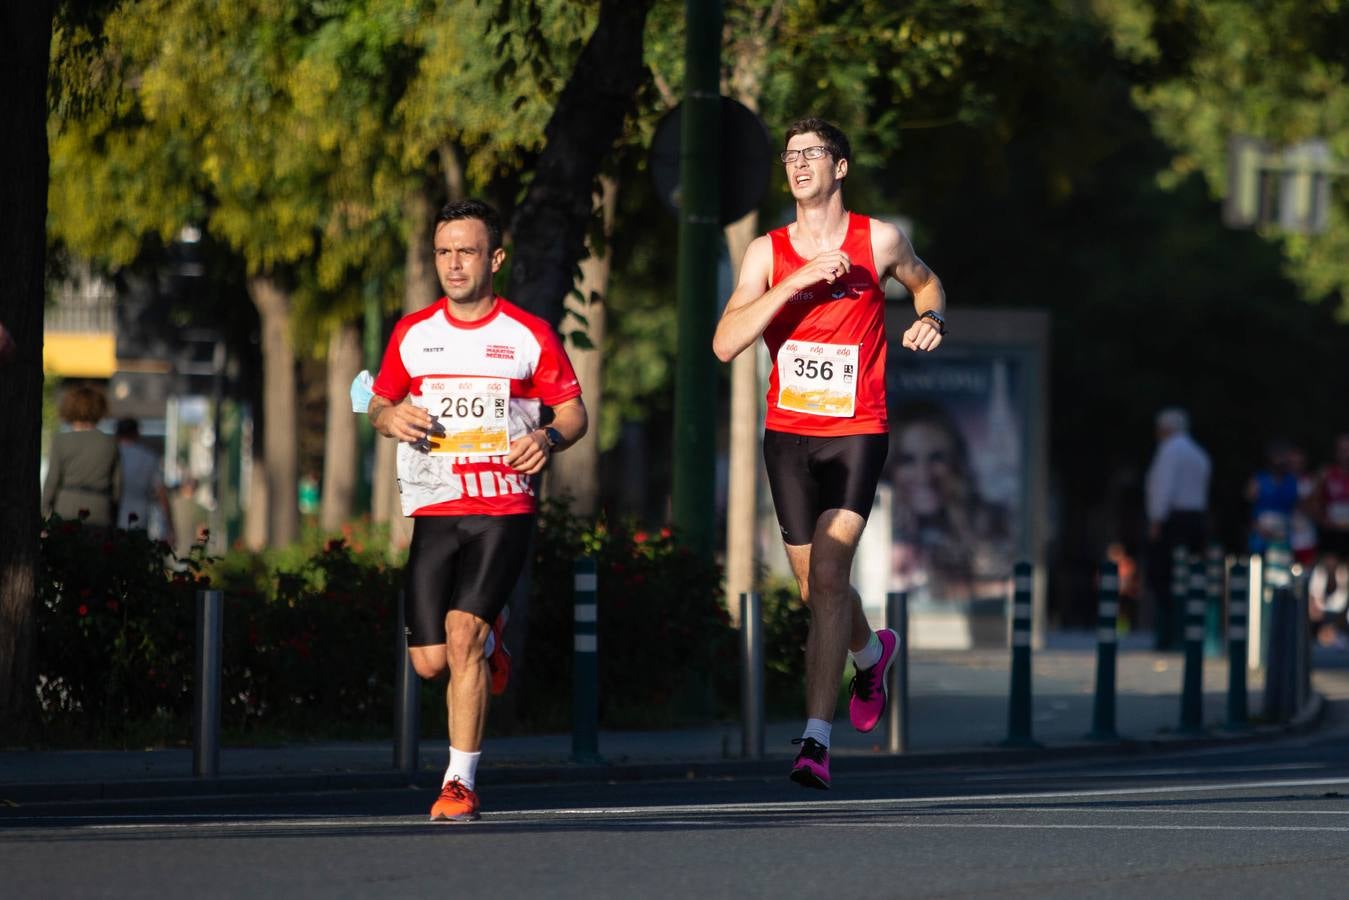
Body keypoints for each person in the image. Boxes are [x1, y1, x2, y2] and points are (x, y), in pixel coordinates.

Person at [712, 117, 946, 789]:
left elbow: (926, 282)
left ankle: (814, 740)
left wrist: (929, 317)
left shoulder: (880, 239)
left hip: (857, 429)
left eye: (812, 154)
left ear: (840, 167)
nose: (799, 164)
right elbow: (725, 343)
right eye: (790, 156)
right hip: (787, 436)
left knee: (829, 571)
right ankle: (872, 654)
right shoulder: (765, 252)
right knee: (816, 586)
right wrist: (794, 283)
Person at [367, 199, 586, 822]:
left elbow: (574, 414)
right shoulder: (413, 332)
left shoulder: (527, 334)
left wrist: (545, 438)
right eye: (443, 252)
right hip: (434, 502)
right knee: (430, 661)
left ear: (495, 258)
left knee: (462, 635)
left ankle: (459, 782)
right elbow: (380, 404)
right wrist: (391, 416)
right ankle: (495, 640)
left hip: (502, 505)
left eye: (466, 251)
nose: (454, 264)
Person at [887, 401, 1010, 606]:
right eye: (907, 460)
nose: (923, 475)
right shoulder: (876, 523)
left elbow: (1006, 585)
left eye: (937, 458)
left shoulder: (987, 521)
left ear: (956, 462)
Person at [1143, 407, 1210, 650]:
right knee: (1190, 576)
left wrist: (1156, 521)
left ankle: (1168, 634)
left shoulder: (1169, 452)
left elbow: (1162, 488)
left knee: (1164, 577)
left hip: (1173, 520)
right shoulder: (1198, 453)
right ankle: (1189, 631)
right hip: (1195, 519)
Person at [43, 384, 121, 528]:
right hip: (99, 508)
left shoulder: (61, 441)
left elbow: (52, 481)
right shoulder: (110, 443)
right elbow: (117, 487)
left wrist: (44, 514)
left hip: (66, 507)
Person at [115, 418, 174, 537]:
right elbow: (161, 492)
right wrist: (171, 527)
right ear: (137, 433)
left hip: (113, 517)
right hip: (140, 517)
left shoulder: (111, 455)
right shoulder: (149, 457)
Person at [1245, 438, 1300, 556]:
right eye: (1277, 455)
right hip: (1260, 535)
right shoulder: (1258, 480)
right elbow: (1246, 508)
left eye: (1283, 456)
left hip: (1283, 536)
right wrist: (1256, 527)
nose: (1280, 460)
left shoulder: (1292, 482)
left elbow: (1296, 509)